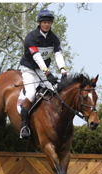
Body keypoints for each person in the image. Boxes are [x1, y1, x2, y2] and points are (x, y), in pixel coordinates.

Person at [19, 9, 67, 139]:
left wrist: (63, 70)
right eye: (44, 22)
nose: (46, 25)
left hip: (42, 71)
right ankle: (24, 126)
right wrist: (47, 72)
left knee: (55, 92)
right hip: (29, 69)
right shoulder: (31, 37)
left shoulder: (54, 39)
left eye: (49, 23)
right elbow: (37, 57)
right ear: (39, 23)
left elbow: (58, 54)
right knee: (30, 94)